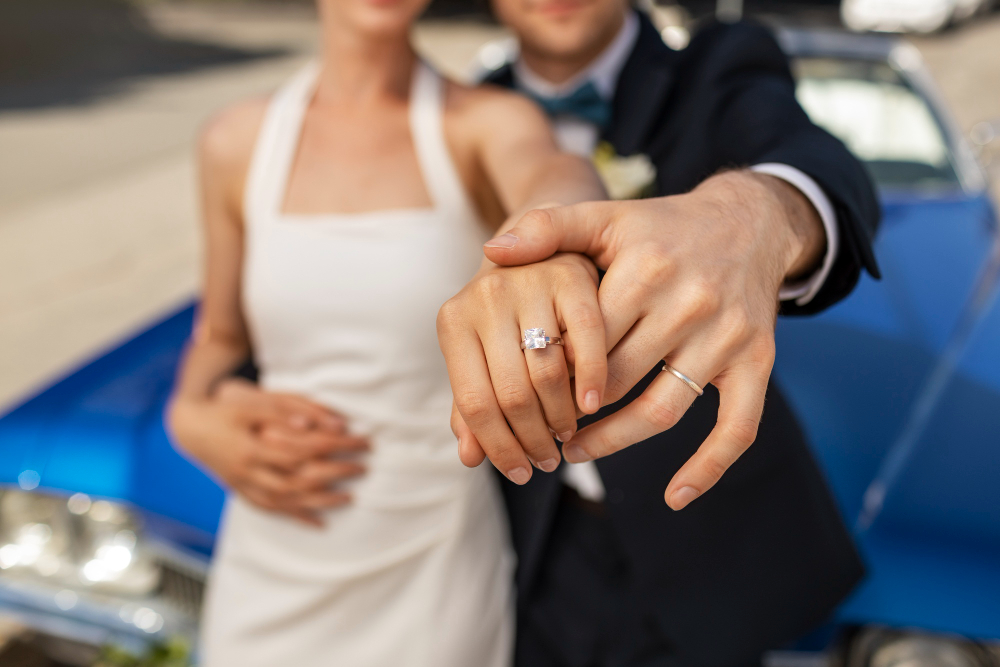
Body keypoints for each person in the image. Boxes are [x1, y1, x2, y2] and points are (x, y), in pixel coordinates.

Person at [436, 1, 881, 665]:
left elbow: (814, 158)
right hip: (522, 544)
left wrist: (758, 213)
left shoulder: (719, 63)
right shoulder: (465, 109)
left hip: (705, 538)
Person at [165, 0, 607, 663]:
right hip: (273, 554)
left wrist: (553, 233)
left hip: (432, 558)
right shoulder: (235, 142)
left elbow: (556, 176)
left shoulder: (485, 123)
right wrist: (189, 417)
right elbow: (221, 336)